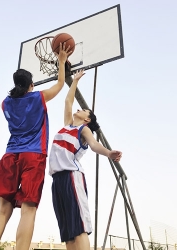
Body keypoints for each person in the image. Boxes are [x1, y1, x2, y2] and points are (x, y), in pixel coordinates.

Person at [0, 43, 72, 250]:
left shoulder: (5, 103)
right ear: (31, 85)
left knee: (3, 210)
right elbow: (60, 84)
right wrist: (61, 61)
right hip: (33, 156)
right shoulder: (38, 97)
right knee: (28, 209)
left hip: (9, 156)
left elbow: (12, 99)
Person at [49, 70, 122, 250]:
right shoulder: (67, 126)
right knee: (68, 232)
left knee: (79, 228)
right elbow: (68, 101)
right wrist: (74, 81)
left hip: (72, 177)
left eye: (84, 110)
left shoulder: (83, 130)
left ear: (87, 119)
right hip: (57, 180)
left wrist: (108, 153)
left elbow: (95, 144)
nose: (79, 109)